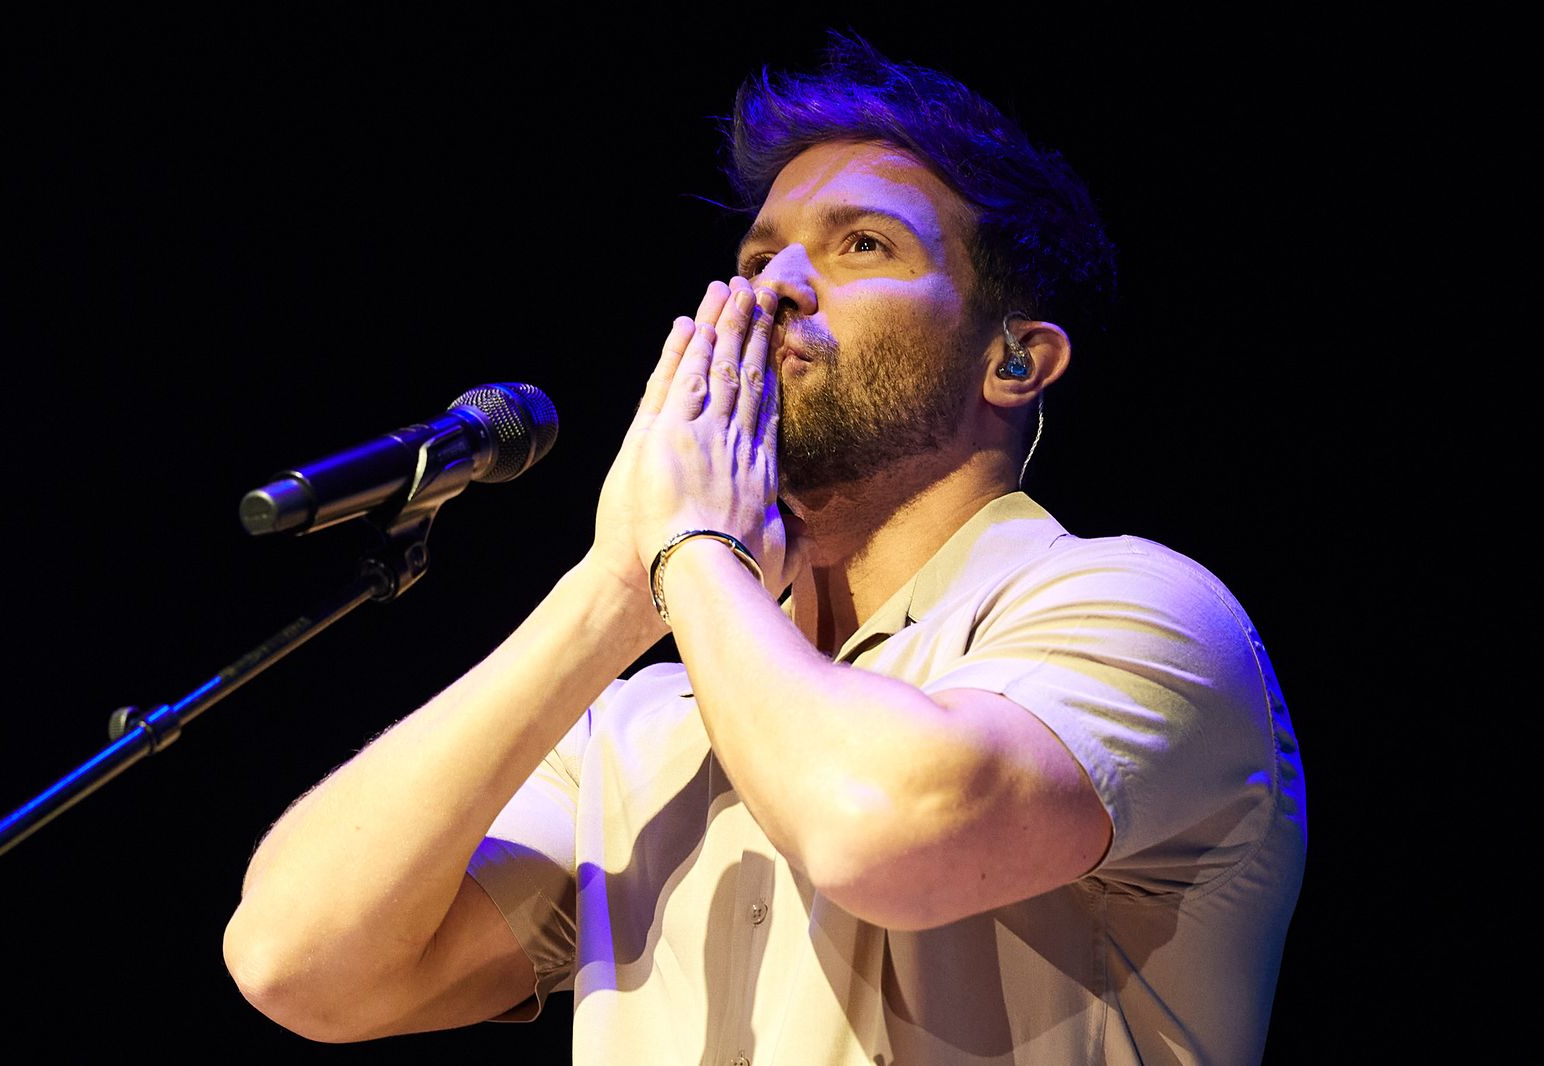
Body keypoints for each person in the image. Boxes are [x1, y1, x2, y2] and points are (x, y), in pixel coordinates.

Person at [223, 35, 1306, 1065]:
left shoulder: (1134, 605)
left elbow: (877, 833)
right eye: (759, 255)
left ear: (1014, 361)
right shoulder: (645, 728)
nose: (774, 285)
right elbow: (300, 964)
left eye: (862, 244)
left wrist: (691, 543)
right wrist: (613, 586)